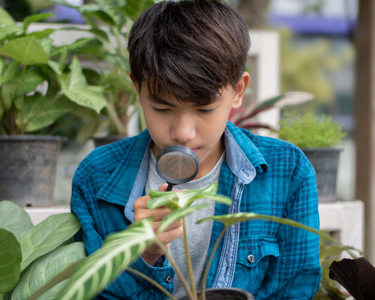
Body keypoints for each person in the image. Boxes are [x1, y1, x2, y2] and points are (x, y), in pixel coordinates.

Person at [71, 0, 321, 299]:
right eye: (162, 108)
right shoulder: (97, 175)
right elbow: (89, 293)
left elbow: (295, 290)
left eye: (204, 109)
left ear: (238, 91)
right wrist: (143, 254)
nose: (183, 133)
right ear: (137, 89)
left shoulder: (287, 170)